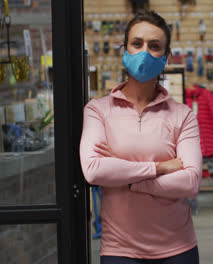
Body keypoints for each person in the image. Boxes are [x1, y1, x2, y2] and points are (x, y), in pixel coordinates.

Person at [79, 9, 202, 264]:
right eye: (137, 44)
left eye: (154, 46)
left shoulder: (183, 116)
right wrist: (161, 167)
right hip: (119, 250)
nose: (144, 52)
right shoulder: (97, 110)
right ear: (125, 50)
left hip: (177, 248)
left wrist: (128, 178)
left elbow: (190, 182)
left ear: (166, 57)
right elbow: (94, 171)